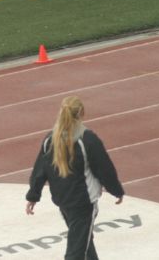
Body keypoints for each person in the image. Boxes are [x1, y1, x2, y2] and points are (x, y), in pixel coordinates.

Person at [25, 96, 124, 260]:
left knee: (83, 239)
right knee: (76, 251)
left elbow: (39, 170)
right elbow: (104, 168)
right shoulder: (87, 139)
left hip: (63, 201)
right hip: (83, 203)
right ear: (82, 113)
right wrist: (116, 190)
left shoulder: (50, 139)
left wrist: (33, 195)